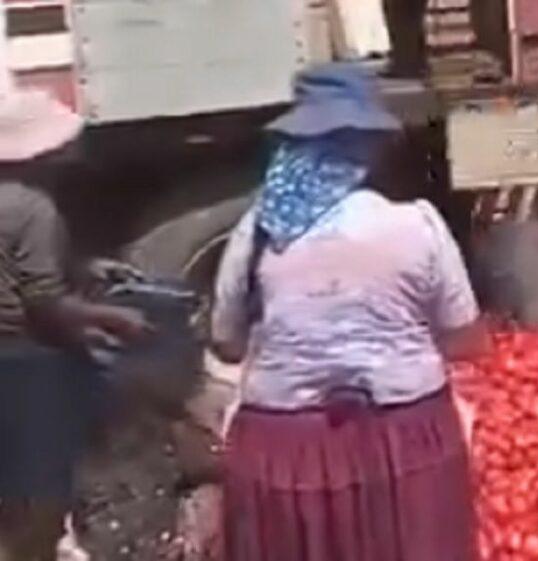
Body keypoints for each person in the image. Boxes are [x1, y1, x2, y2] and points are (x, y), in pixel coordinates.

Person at [211, 63, 488, 561]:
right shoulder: (417, 225)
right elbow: (466, 341)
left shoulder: (257, 232)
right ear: (372, 147)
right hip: (406, 443)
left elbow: (226, 342)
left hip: (284, 453)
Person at [0, 86, 151, 560]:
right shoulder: (34, 208)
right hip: (25, 358)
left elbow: (15, 266)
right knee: (41, 492)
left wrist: (86, 266)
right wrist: (114, 318)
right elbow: (44, 302)